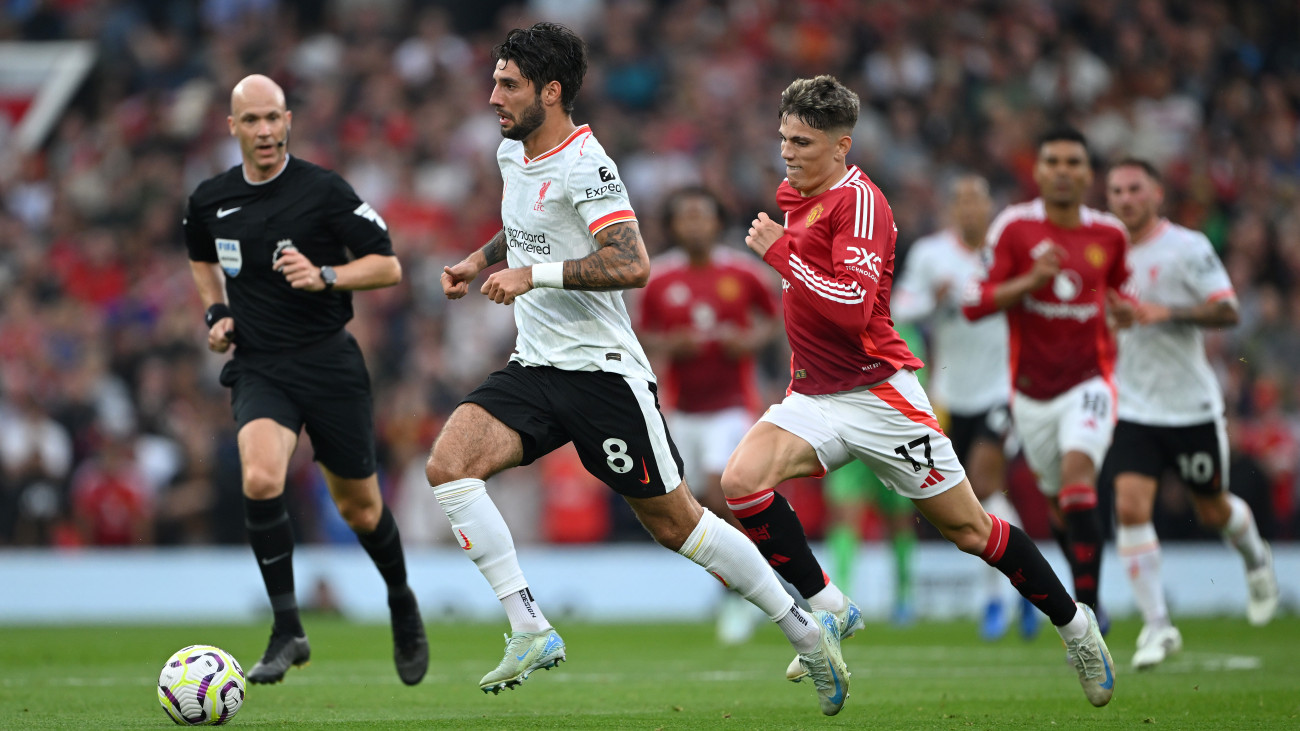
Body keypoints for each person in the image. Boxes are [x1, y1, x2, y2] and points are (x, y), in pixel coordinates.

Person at [426, 23, 846, 716]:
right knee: (449, 466)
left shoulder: (588, 164)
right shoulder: (513, 151)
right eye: (495, 80)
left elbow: (631, 262)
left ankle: (804, 629)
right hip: (535, 364)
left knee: (677, 523)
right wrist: (482, 257)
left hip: (602, 376)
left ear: (551, 91)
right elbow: (528, 220)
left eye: (508, 84)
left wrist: (530, 275)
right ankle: (530, 625)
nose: (492, 94)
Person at [722, 75, 1115, 708]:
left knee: (971, 529)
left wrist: (782, 258)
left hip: (880, 395)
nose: (788, 152)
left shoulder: (862, 203)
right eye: (784, 139)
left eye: (802, 141)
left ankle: (1077, 626)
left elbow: (853, 309)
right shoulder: (794, 195)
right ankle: (831, 608)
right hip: (816, 395)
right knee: (741, 480)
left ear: (841, 145)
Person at [183, 74, 428, 686]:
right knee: (262, 475)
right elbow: (201, 259)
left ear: (288, 120)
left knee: (361, 508)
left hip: (327, 363)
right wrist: (216, 314)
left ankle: (401, 600)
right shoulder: (210, 199)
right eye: (252, 121)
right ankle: (288, 627)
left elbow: (388, 265)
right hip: (260, 364)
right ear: (232, 127)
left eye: (273, 118)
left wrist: (325, 275)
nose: (265, 131)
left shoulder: (323, 191)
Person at [1104, 158, 1280, 669]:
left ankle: (1255, 558)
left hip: (1190, 408)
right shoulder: (1102, 250)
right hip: (1133, 405)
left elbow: (1228, 309)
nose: (1125, 198)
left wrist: (1168, 313)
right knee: (1132, 509)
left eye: (1135, 188)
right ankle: (1158, 626)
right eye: (1116, 190)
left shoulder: (1188, 247)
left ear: (1157, 193)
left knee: (1212, 508)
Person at [962, 128, 1133, 632]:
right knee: (1061, 502)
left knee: (1080, 482)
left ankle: (1088, 609)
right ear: (1037, 171)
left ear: (1088, 174)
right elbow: (975, 302)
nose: (1062, 170)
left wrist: (1126, 311)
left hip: (1090, 382)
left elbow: (1125, 293)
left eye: (1073, 162)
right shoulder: (1014, 229)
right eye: (1052, 161)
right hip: (1031, 395)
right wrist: (1031, 281)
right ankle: (1082, 596)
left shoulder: (1110, 235)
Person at [892, 175, 1039, 641]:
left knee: (983, 483)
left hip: (1002, 390)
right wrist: (930, 300)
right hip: (948, 395)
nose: (969, 208)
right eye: (960, 200)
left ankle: (996, 600)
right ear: (952, 209)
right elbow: (897, 307)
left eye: (977, 199)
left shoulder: (1011, 252)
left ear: (990, 206)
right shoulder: (932, 255)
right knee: (973, 501)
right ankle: (1028, 585)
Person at [636, 186, 780, 645]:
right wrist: (669, 346)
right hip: (682, 410)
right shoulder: (659, 278)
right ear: (674, 226)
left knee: (724, 492)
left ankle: (744, 597)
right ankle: (748, 582)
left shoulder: (744, 272)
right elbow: (639, 335)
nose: (695, 224)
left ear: (717, 222)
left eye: (702, 215)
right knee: (693, 510)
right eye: (685, 217)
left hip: (732, 405)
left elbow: (774, 320)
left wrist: (750, 341)